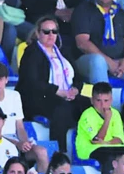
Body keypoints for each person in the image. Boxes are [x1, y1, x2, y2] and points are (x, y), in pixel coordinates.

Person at [17, 14, 82, 154]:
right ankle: (60, 154)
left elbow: (78, 76)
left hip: (66, 95)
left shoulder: (62, 50)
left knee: (89, 106)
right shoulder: (32, 52)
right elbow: (32, 82)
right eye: (46, 32)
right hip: (39, 98)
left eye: (54, 31)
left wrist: (75, 89)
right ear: (37, 33)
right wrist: (59, 92)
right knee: (62, 109)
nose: (51, 35)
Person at [74, 82, 124, 164]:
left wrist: (106, 143)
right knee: (109, 158)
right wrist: (107, 119)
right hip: (89, 149)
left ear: (111, 100)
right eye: (98, 100)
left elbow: (119, 139)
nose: (103, 105)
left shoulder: (115, 113)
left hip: (109, 148)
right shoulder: (87, 115)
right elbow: (97, 140)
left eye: (106, 100)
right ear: (92, 100)